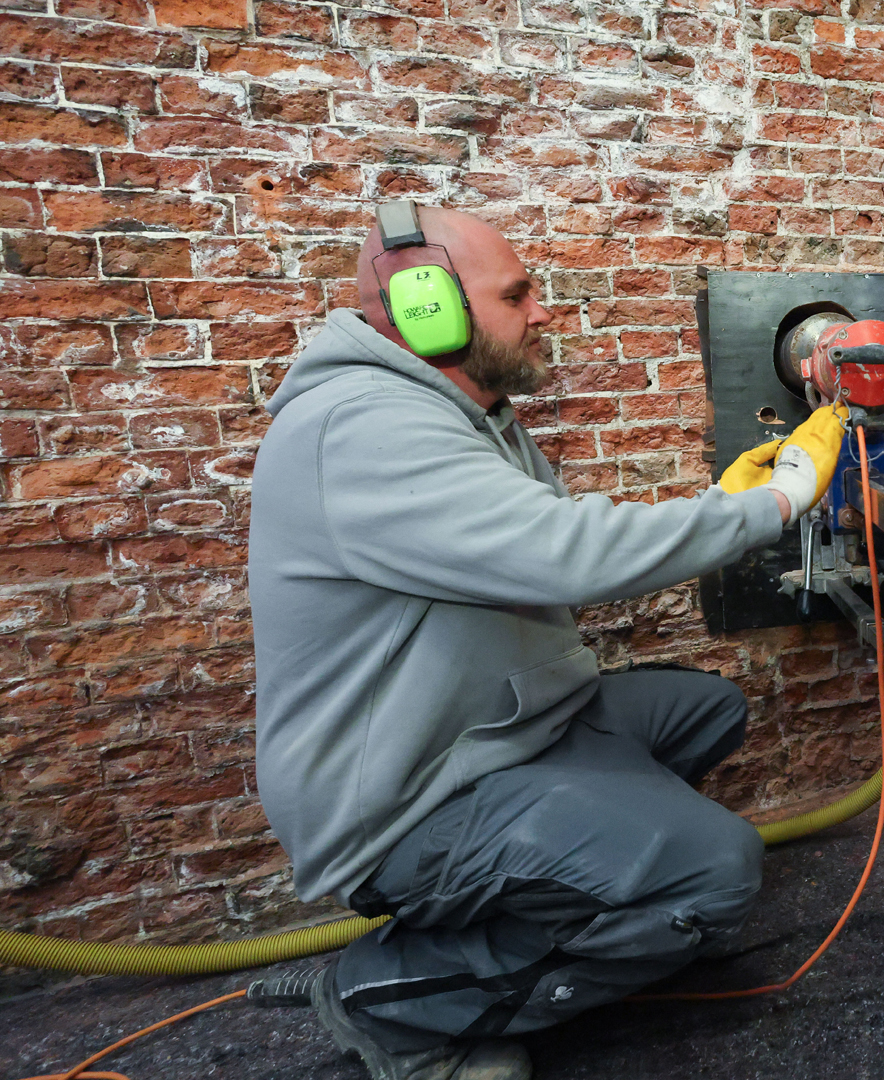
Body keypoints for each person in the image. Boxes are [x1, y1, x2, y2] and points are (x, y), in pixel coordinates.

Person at [248, 204, 845, 1080]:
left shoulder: (471, 414)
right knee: (719, 871)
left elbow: (541, 531)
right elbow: (570, 555)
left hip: (489, 738)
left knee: (705, 709)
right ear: (428, 308)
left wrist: (727, 496)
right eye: (518, 293)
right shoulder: (364, 428)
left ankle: (604, 911)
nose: (542, 311)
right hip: (404, 801)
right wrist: (777, 499)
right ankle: (399, 1003)